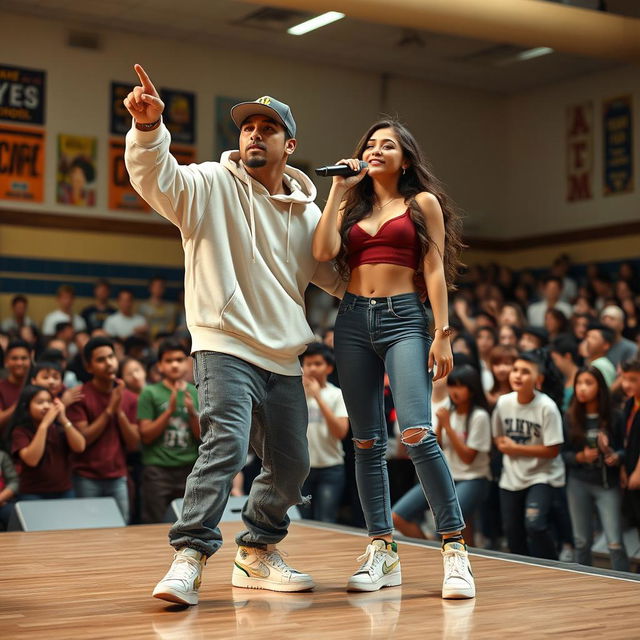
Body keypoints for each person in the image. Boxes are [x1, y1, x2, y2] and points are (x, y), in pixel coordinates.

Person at [124, 64, 345, 605]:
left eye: (267, 128)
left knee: (293, 466)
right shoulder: (209, 184)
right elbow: (157, 179)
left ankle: (257, 552)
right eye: (248, 127)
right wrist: (149, 131)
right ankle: (190, 556)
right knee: (224, 443)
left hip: (284, 356)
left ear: (289, 144)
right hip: (223, 343)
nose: (254, 134)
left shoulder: (308, 214)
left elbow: (338, 278)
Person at [312, 119, 474, 598]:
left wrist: (442, 334)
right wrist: (339, 189)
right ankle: (382, 549)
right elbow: (323, 251)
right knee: (365, 443)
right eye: (370, 143)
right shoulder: (351, 205)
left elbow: (434, 267)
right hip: (352, 319)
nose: (376, 149)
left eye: (389, 145)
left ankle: (455, 550)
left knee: (417, 432)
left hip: (405, 317)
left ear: (406, 159)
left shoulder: (420, 203)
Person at [393, 365, 491, 547]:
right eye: (452, 385)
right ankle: (430, 550)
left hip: (472, 479)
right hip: (444, 476)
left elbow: (467, 457)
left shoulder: (480, 416)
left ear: (472, 388)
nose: (455, 391)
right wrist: (442, 425)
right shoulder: (447, 411)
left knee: (450, 524)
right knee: (396, 517)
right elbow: (436, 447)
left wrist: (447, 425)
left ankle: (457, 554)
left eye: (461, 386)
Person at [492, 352, 565, 560]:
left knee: (535, 525)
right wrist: (503, 445)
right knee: (513, 535)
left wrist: (516, 448)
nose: (517, 375)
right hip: (512, 477)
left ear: (538, 379)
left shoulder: (547, 407)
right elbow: (498, 437)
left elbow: (553, 450)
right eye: (515, 370)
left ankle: (553, 566)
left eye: (526, 372)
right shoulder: (503, 402)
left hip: (542, 475)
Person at [562, 366, 629, 571]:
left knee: (614, 542)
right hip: (578, 482)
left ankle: (625, 584)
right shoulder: (570, 417)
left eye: (588, 383)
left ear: (600, 387)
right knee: (581, 541)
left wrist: (615, 455)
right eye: (579, 384)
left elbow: (627, 449)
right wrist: (580, 456)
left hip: (607, 484)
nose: (582, 389)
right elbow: (562, 454)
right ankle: (585, 583)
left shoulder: (615, 416)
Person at [66, 337, 139, 521]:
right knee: (89, 530)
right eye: (101, 360)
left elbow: (134, 443)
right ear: (89, 367)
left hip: (118, 476)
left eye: (111, 357)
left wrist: (119, 411)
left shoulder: (129, 397)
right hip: (86, 477)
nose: (109, 363)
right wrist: (109, 410)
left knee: (121, 529)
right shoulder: (80, 396)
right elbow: (84, 439)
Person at [137, 340, 200, 524]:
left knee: (189, 522)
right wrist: (169, 412)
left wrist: (192, 414)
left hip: (189, 469)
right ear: (160, 365)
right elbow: (146, 436)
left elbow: (202, 437)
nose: (174, 364)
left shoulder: (196, 392)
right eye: (169, 360)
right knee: (154, 523)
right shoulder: (150, 393)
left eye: (179, 359)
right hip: (157, 471)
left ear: (188, 362)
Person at [299, 342, 349, 524]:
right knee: (301, 522)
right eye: (307, 364)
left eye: (317, 364)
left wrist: (318, 397)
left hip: (331, 467)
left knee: (326, 521)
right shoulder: (295, 396)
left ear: (329, 367)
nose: (311, 368)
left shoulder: (337, 395)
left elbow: (341, 432)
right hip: (302, 469)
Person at [7, 385, 85, 500]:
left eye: (49, 402)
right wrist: (44, 425)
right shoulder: (21, 431)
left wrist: (64, 420)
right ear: (26, 407)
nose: (46, 406)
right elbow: (32, 460)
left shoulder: (60, 428)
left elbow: (80, 447)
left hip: (64, 491)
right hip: (33, 493)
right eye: (40, 402)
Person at [621, 359, 640, 538]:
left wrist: (638, 471)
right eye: (624, 379)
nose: (626, 384)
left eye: (633, 379)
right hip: (630, 466)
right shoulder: (629, 404)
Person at [0, 340, 32, 432]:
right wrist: (21, 402)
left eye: (24, 358)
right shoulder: (1, 387)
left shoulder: (38, 386)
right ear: (6, 361)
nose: (19, 363)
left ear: (31, 359)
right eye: (14, 358)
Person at [549, 335, 581, 411]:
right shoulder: (562, 378)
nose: (555, 364)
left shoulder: (581, 377)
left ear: (567, 356)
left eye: (555, 359)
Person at [0, 446, 18, 530]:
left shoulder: (2, 456)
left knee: (12, 513)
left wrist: (1, 498)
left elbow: (14, 482)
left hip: (2, 502)